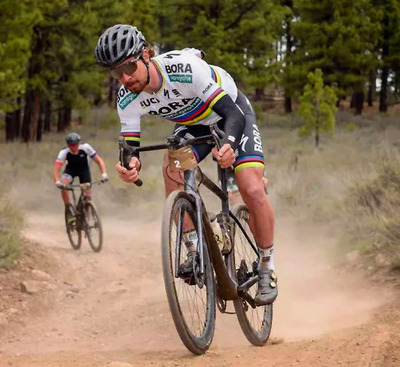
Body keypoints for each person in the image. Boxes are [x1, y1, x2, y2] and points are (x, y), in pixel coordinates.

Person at [95, 24, 277, 305]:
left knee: (251, 188)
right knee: (172, 167)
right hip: (193, 124)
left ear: (146, 55)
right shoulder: (127, 97)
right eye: (116, 72)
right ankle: (193, 249)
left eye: (129, 67)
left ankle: (266, 267)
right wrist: (130, 165)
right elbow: (130, 145)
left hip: (230, 115)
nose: (125, 78)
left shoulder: (184, 69)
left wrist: (227, 145)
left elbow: (231, 113)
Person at [53, 132, 109, 218]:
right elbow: (57, 168)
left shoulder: (86, 148)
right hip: (70, 171)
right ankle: (68, 208)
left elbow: (99, 160)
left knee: (87, 194)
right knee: (64, 185)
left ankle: (87, 217)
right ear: (67, 145)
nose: (73, 147)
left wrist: (104, 174)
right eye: (71, 145)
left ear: (78, 143)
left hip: (84, 171)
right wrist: (57, 181)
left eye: (75, 145)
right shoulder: (64, 152)